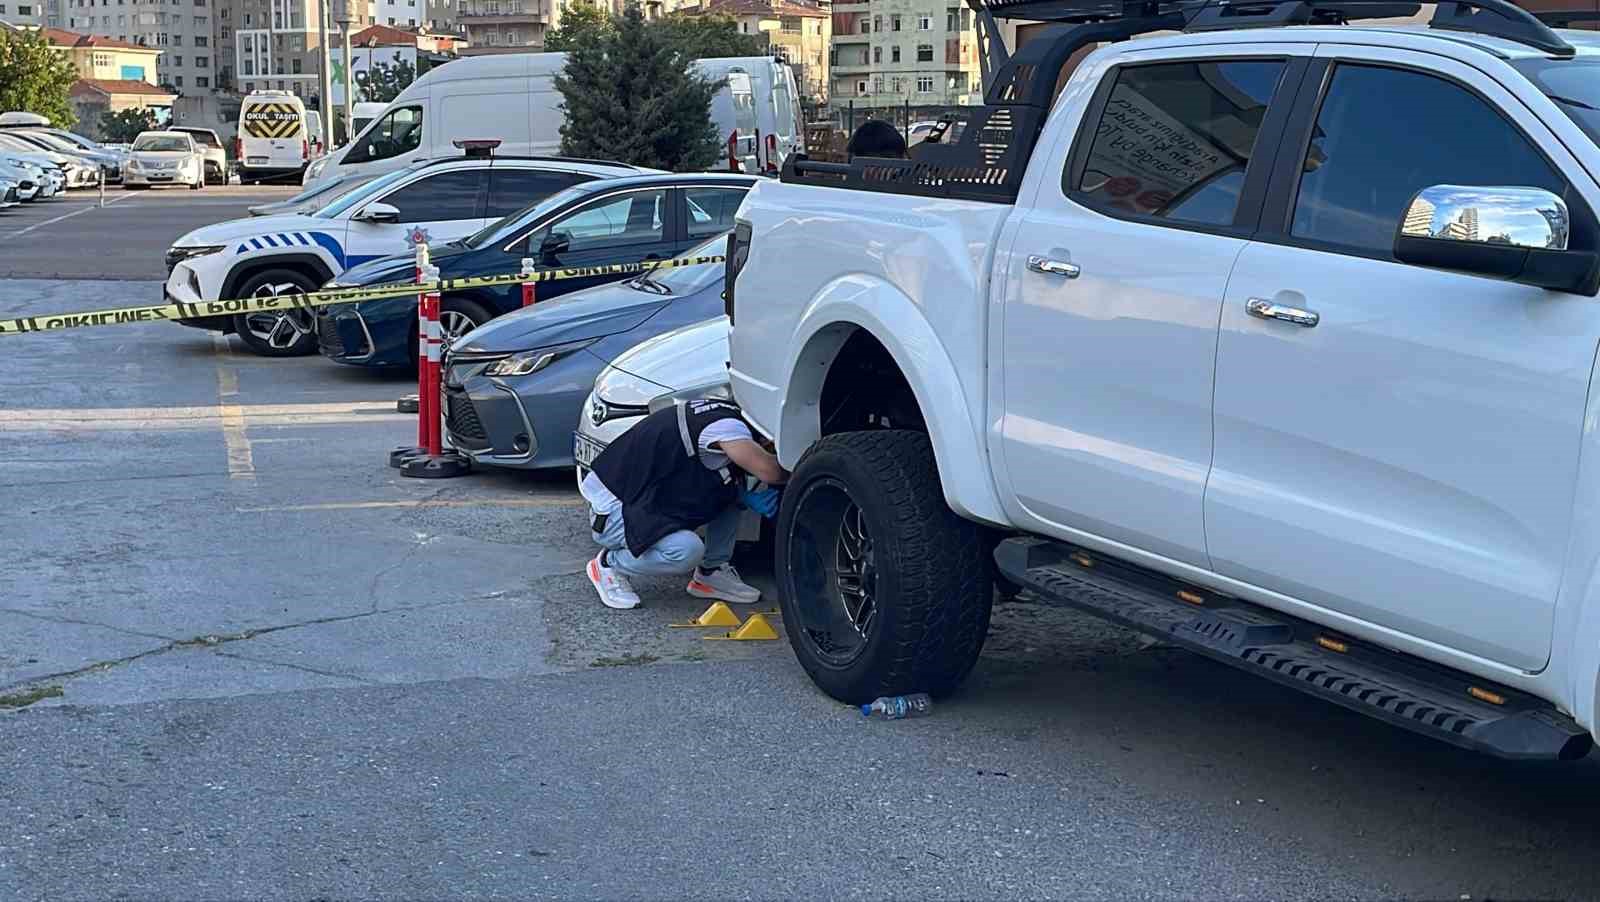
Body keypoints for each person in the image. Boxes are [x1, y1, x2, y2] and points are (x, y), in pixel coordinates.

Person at [582, 398, 788, 610]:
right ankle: (609, 564)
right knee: (686, 550)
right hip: (617, 513)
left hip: (644, 497)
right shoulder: (728, 429)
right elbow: (769, 471)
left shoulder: (723, 411)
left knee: (731, 489)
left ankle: (711, 573)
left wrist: (741, 494)